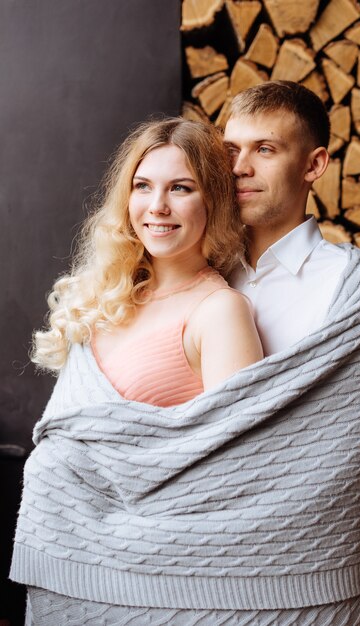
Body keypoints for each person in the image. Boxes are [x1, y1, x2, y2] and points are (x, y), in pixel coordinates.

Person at [10, 118, 263, 623]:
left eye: (181, 188)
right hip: (72, 563)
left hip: (146, 577)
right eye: (143, 186)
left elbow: (234, 474)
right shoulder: (113, 297)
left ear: (212, 199)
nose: (158, 206)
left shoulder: (219, 311)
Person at [224, 80, 360, 623]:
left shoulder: (353, 287)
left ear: (315, 164)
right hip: (201, 555)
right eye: (230, 150)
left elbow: (339, 444)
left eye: (265, 150)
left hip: (309, 562)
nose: (238, 168)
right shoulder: (195, 270)